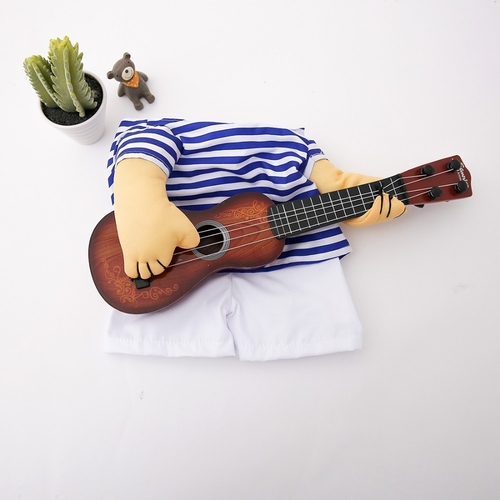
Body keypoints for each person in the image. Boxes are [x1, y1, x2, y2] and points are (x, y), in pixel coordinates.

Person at [103, 118, 406, 361]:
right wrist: (143, 204)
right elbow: (142, 144)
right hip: (173, 273)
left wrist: (362, 200)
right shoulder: (171, 134)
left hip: (294, 268)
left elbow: (335, 184)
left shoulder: (295, 145)